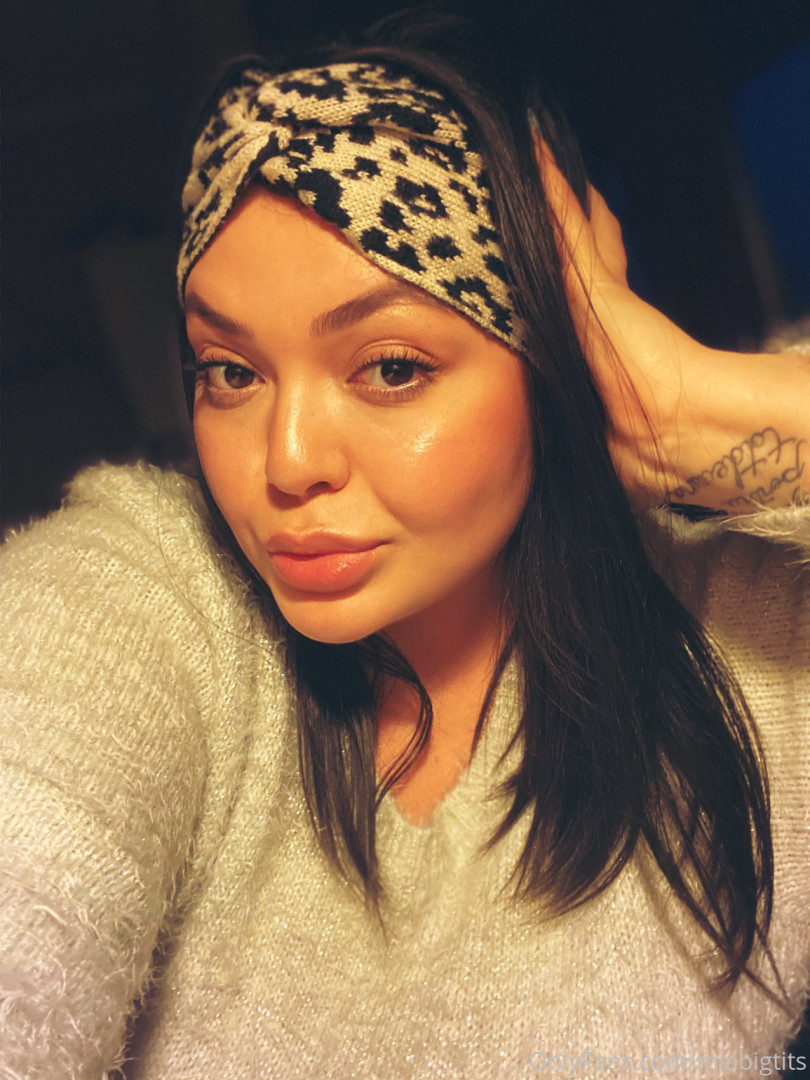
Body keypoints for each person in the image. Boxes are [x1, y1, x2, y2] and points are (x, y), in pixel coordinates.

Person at [1, 24, 808, 1079]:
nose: (286, 463)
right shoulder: (156, 589)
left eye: (389, 367)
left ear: (552, 364)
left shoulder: (759, 649)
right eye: (231, 372)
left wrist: (683, 411)